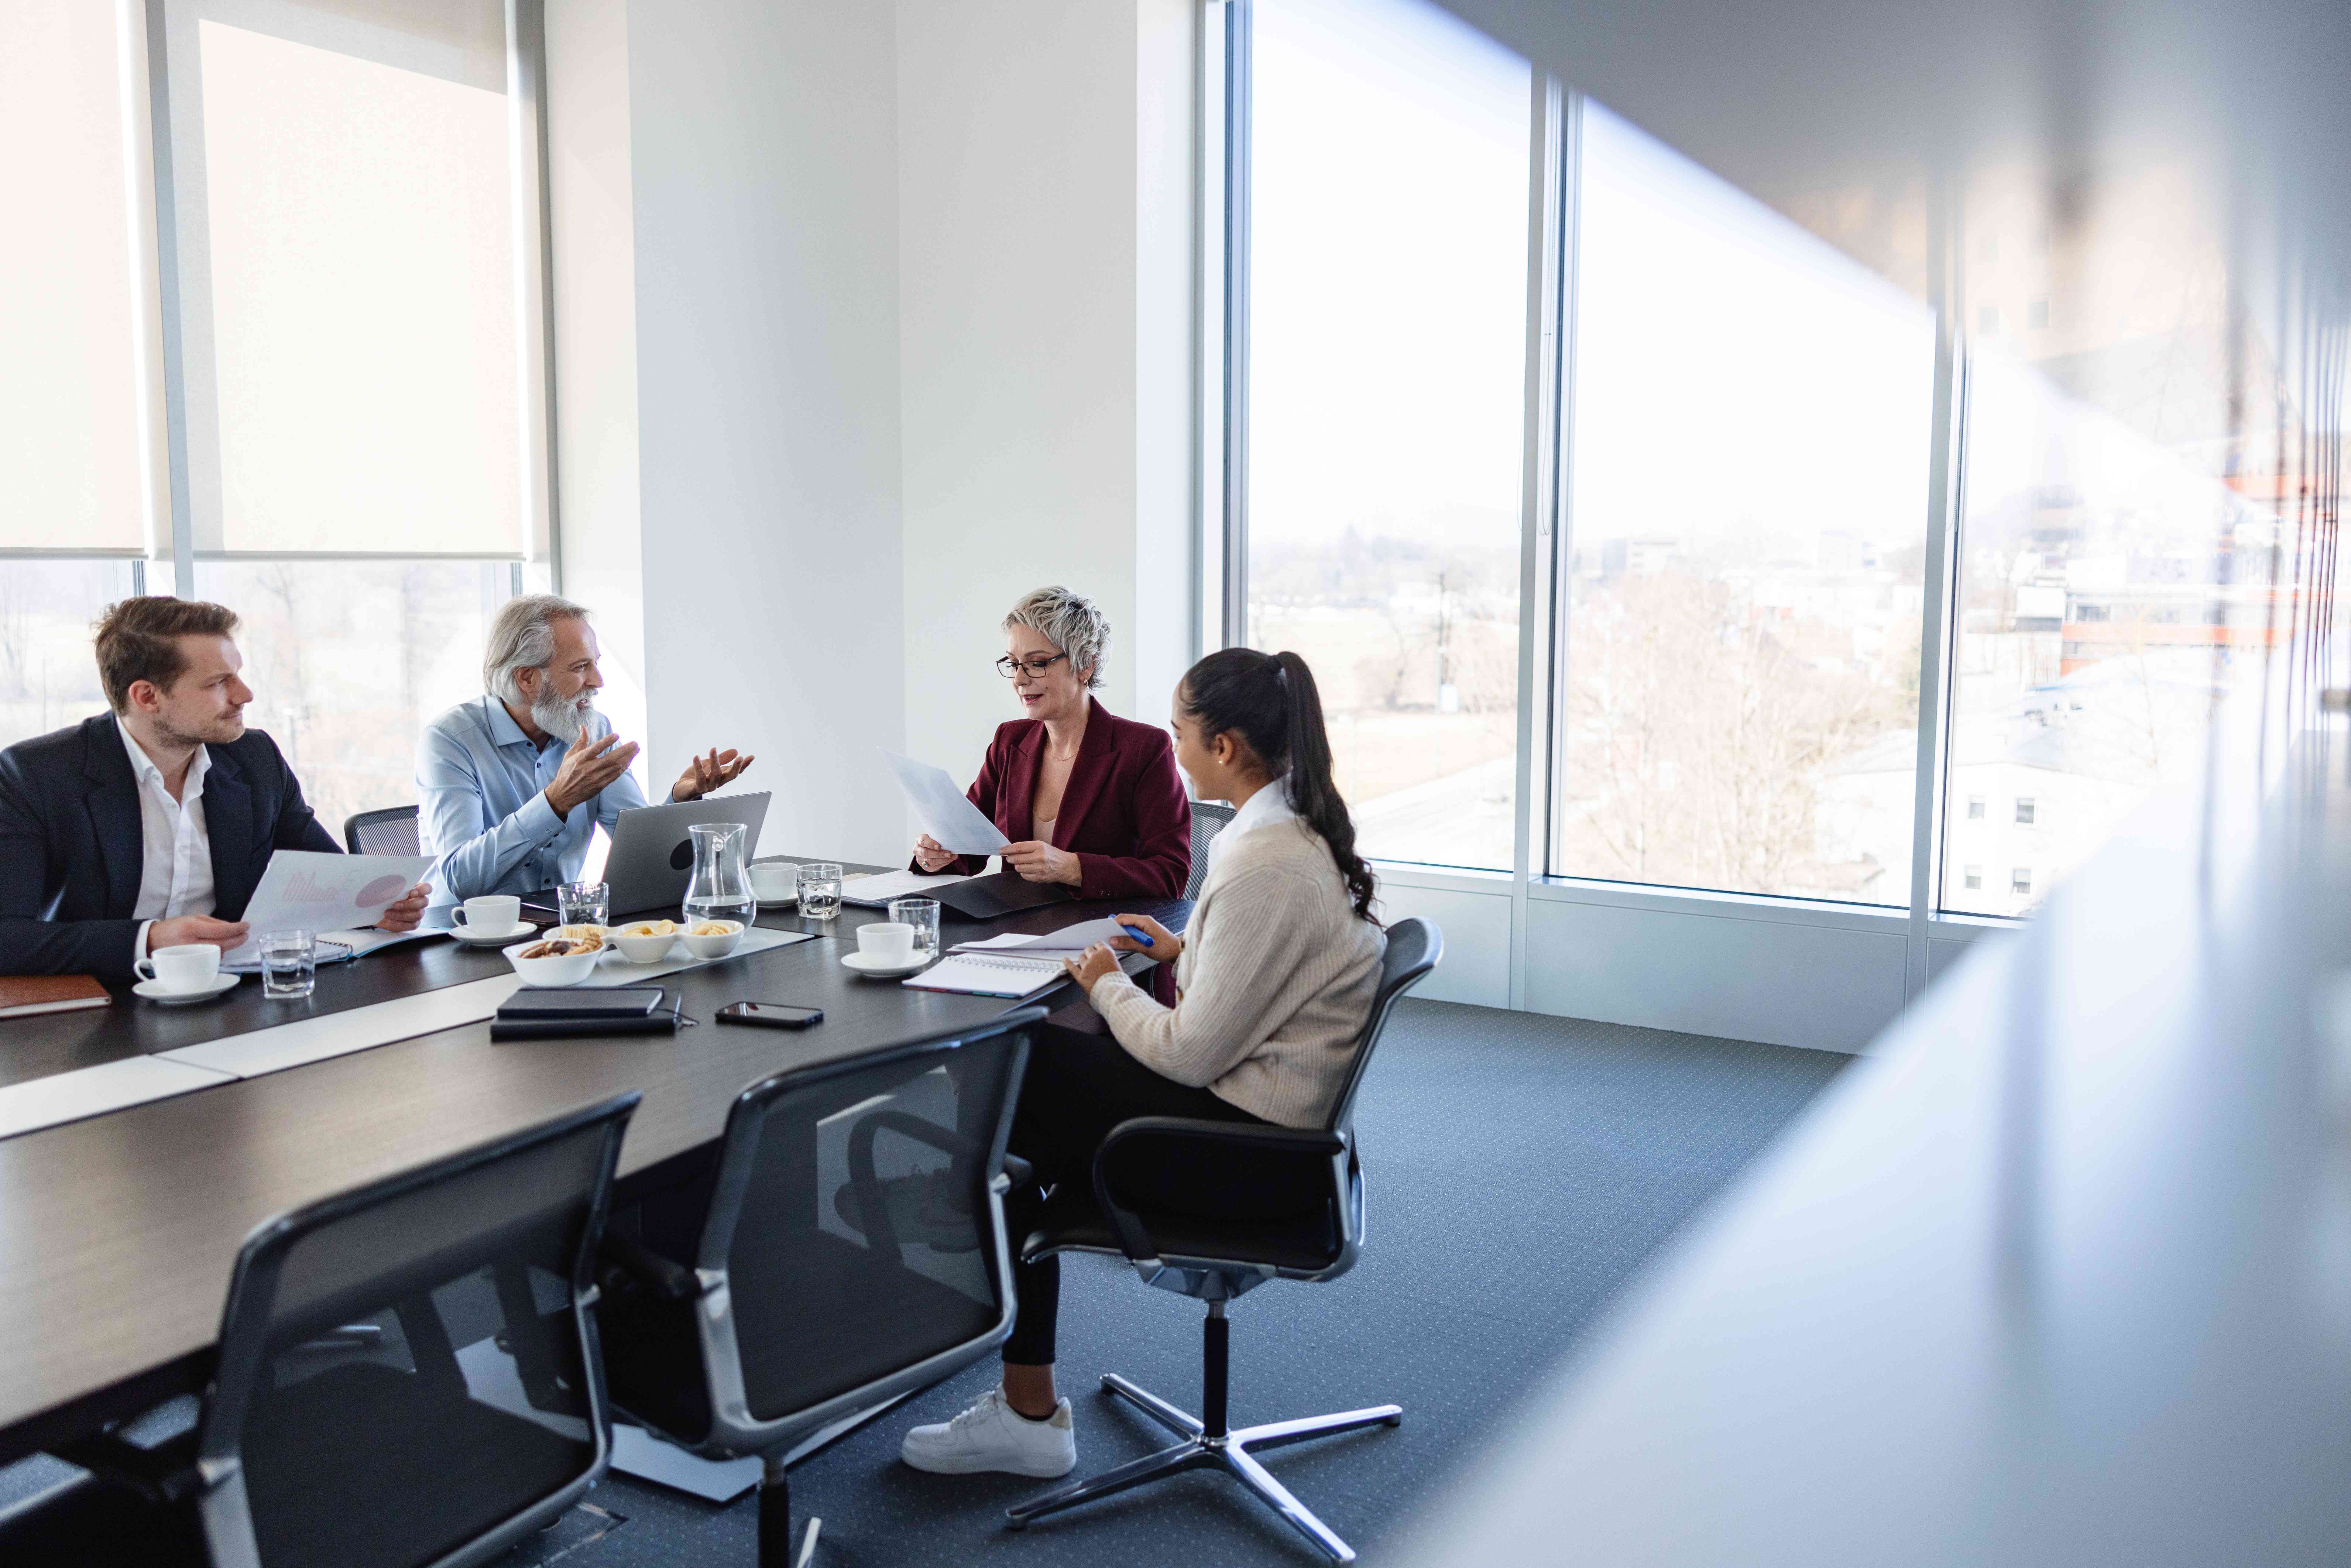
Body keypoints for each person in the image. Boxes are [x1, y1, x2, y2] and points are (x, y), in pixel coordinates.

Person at [898, 647, 1386, 1479]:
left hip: (1247, 1156)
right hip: (1274, 1128)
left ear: (1224, 748)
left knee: (1015, 1090)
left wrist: (1105, 984)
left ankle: (1016, 1381)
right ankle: (993, 1253)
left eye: (1182, 733)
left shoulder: (1264, 863)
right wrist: (1183, 945)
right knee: (1026, 1111)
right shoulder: (1287, 829)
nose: (1175, 746)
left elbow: (1190, 1051)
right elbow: (1264, 963)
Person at [0, 598, 429, 981]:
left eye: (237, 675)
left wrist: (377, 909)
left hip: (236, 997)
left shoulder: (254, 758)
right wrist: (149, 939)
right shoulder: (34, 775)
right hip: (100, 1006)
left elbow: (326, 877)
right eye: (218, 683)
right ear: (147, 697)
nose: (245, 694)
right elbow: (7, 935)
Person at [417, 595, 753, 904]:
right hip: (462, 939)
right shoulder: (450, 740)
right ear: (526, 678)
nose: (598, 681)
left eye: (595, 663)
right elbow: (460, 879)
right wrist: (555, 802)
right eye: (580, 667)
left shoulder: (593, 729)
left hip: (562, 930)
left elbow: (639, 851)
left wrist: (681, 799)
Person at [913, 586, 1189, 908]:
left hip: (1103, 942)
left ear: (1085, 664)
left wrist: (1074, 869)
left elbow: (1171, 875)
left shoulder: (1143, 749)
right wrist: (937, 855)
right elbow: (968, 845)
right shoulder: (1010, 741)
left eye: (1037, 663)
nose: (1019, 679)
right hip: (1015, 931)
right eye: (1014, 663)